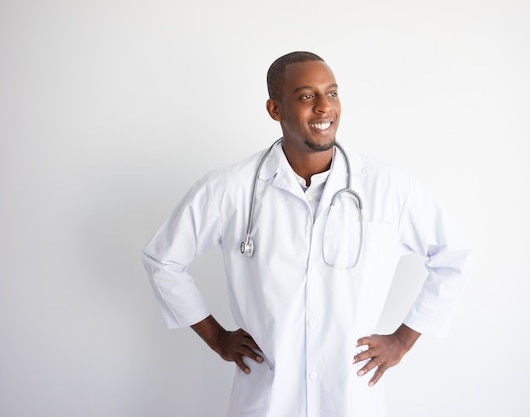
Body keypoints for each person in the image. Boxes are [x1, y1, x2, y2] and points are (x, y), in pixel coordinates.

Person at [141, 51, 471, 417]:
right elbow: (163, 259)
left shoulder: (388, 187)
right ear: (275, 109)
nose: (324, 107)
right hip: (267, 399)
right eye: (305, 96)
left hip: (351, 400)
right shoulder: (229, 189)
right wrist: (217, 338)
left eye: (331, 93)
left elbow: (452, 256)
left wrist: (402, 341)